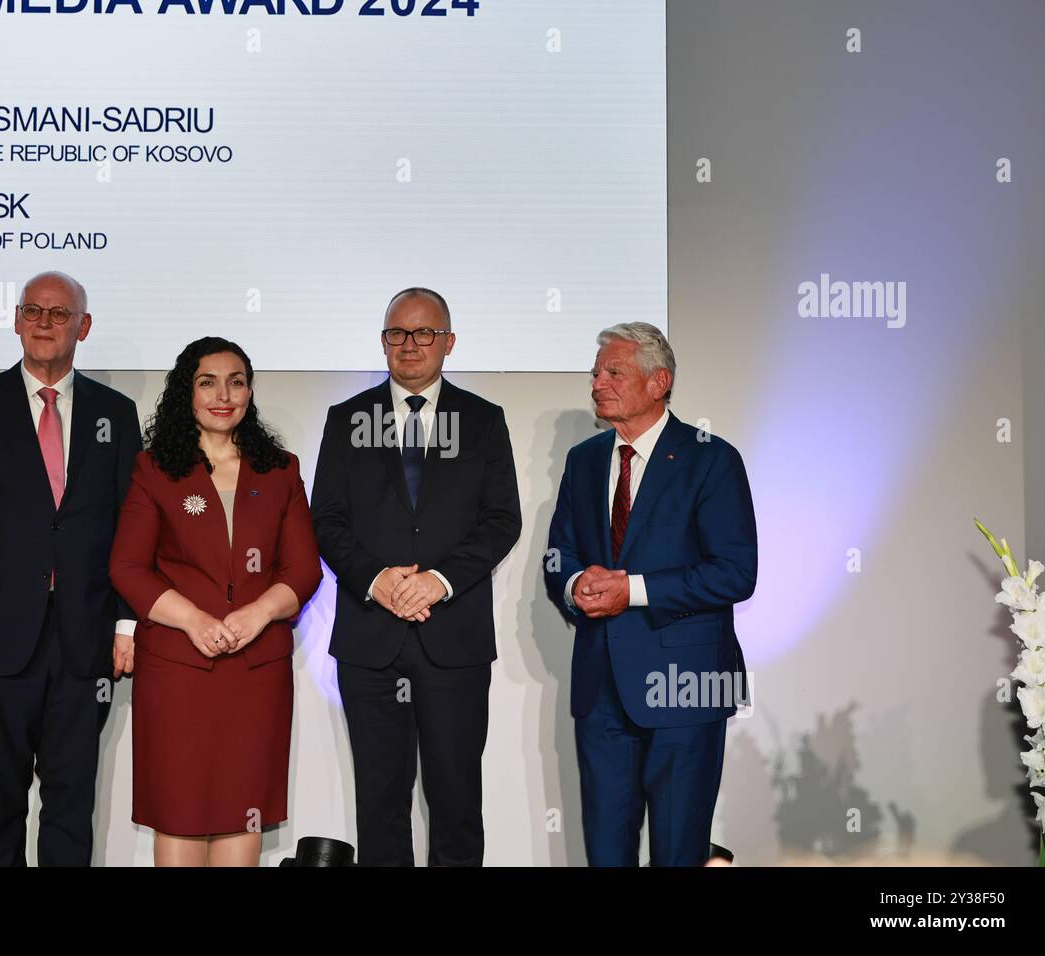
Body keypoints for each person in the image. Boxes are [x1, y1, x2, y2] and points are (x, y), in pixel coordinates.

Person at [0, 270, 142, 866]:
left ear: (84, 326)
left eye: (59, 314)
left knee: (71, 807)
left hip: (84, 641)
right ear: (18, 320)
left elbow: (134, 529)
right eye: (33, 312)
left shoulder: (116, 414)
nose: (44, 324)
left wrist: (128, 625)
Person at [310, 288, 521, 866]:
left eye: (424, 333)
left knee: (456, 803)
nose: (410, 345)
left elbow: (503, 520)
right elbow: (325, 520)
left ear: (448, 342)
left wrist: (438, 582)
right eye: (397, 333)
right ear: (383, 342)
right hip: (369, 641)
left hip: (453, 641)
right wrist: (376, 579)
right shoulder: (346, 419)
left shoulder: (482, 421)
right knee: (380, 804)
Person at [545, 322, 756, 866]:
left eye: (613, 371)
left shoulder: (712, 458)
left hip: (686, 688)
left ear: (658, 381)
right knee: (606, 854)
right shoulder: (585, 460)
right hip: (601, 691)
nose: (597, 383)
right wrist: (574, 585)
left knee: (678, 851)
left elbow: (735, 572)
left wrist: (631, 591)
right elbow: (559, 555)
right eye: (595, 373)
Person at [109, 336, 322, 867]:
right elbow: (127, 568)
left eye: (237, 381)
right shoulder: (154, 468)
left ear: (250, 391)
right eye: (208, 382)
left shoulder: (281, 470)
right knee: (179, 811)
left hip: (256, 670)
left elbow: (303, 569)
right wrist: (194, 621)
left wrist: (258, 613)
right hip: (178, 670)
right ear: (188, 392)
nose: (224, 394)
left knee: (240, 811)